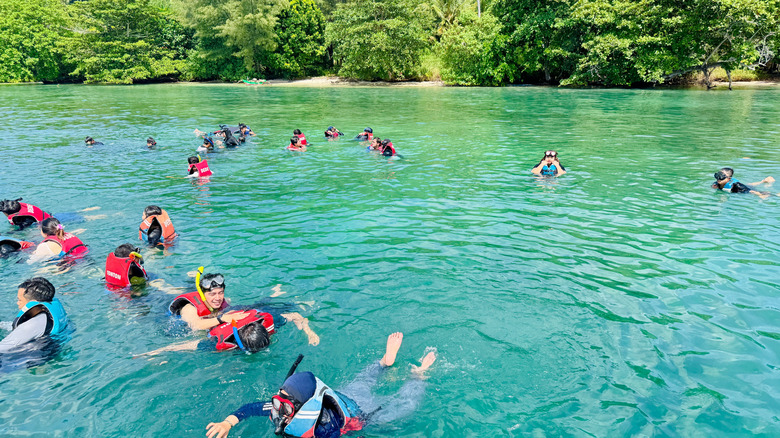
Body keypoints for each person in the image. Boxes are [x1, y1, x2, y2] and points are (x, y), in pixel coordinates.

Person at [205, 332, 436, 438]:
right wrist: (227, 423)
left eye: (285, 406)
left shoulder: (324, 429)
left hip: (362, 414)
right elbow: (250, 408)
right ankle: (384, 362)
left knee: (405, 405)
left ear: (306, 408)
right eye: (278, 400)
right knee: (363, 380)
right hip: (344, 396)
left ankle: (419, 375)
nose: (278, 409)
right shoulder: (283, 408)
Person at [0, 278, 68, 353]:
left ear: (33, 302)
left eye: (20, 300)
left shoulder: (33, 324)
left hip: (37, 355)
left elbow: (4, 347)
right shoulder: (48, 308)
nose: (17, 303)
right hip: (54, 345)